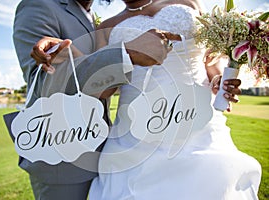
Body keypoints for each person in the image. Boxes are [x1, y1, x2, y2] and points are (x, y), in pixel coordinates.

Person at [83, 0, 261, 199]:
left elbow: (210, 58)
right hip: (135, 135)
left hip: (198, 122)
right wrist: (128, 55)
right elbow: (102, 90)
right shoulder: (106, 27)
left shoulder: (188, 3)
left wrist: (219, 78)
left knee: (214, 181)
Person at [12, 0, 180, 199]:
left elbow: (100, 84)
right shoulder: (39, 6)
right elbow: (43, 84)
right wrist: (127, 53)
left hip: (108, 148)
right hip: (64, 162)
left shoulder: (91, 17)